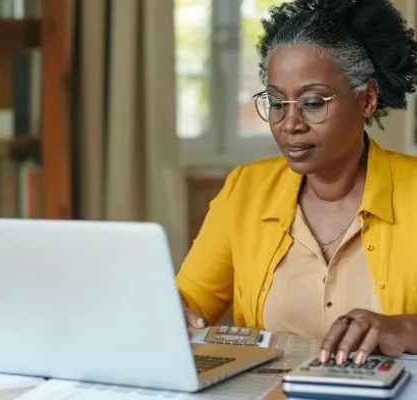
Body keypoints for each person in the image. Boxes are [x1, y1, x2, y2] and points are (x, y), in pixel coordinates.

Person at [176, 0, 417, 366]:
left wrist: (403, 328)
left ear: (366, 99)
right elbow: (189, 302)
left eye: (313, 102)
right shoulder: (246, 190)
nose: (290, 123)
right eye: (276, 103)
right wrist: (171, 313)